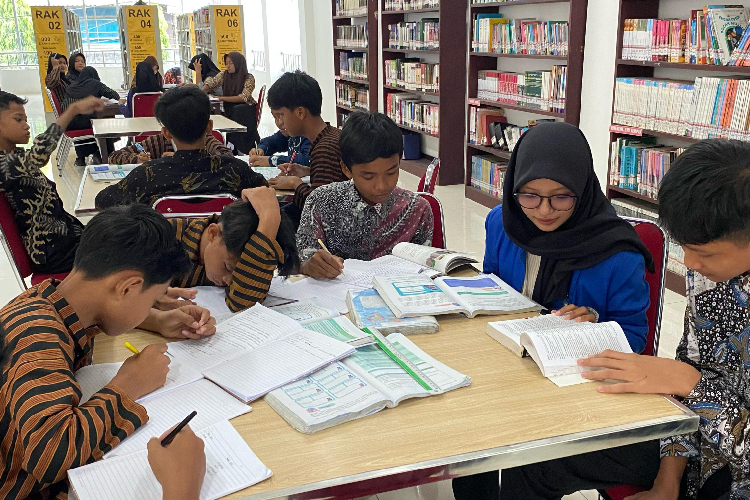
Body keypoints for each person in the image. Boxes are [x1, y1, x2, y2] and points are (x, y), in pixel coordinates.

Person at [478, 138, 750, 500]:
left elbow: (689, 384)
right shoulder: (712, 274)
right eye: (683, 248)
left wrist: (690, 383)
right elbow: (684, 398)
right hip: (691, 448)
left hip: (733, 472)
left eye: (702, 252)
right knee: (536, 458)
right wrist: (666, 483)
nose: (689, 264)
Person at [0, 204, 219, 500]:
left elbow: (108, 308)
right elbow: (48, 457)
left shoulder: (46, 301)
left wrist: (155, 319)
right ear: (127, 288)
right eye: (153, 299)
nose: (153, 307)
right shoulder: (41, 341)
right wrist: (129, 384)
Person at [297, 112, 433, 278]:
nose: (381, 186)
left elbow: (426, 269)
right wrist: (308, 266)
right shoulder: (321, 202)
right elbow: (300, 259)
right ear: (346, 169)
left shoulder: (417, 209)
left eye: (391, 172)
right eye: (368, 176)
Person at [95, 86, 266, 209]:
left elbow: (103, 200)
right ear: (210, 127)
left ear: (166, 132)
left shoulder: (147, 175)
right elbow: (264, 190)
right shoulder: (234, 170)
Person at [0, 91, 103, 273]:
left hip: (66, 241)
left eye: (25, 120)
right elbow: (39, 155)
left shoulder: (16, 157)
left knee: (126, 226)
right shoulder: (4, 165)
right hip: (54, 254)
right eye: (18, 120)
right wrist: (73, 110)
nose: (26, 126)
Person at [171, 186, 299, 312]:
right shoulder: (162, 242)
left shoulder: (225, 251)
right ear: (213, 233)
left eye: (239, 272)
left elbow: (243, 304)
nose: (230, 280)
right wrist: (269, 216)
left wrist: (269, 222)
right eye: (227, 267)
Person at [266, 70, 348, 229]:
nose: (279, 123)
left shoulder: (325, 148)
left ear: (300, 112)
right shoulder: (332, 134)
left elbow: (320, 211)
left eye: (280, 115)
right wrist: (308, 171)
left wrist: (295, 183)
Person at [196, 52, 259, 153]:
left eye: (231, 63)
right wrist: (201, 91)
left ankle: (242, 147)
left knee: (238, 110)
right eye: (226, 63)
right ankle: (230, 146)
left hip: (245, 109)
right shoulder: (224, 74)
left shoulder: (248, 78)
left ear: (238, 63)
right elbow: (212, 83)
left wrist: (220, 98)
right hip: (230, 107)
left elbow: (243, 97)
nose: (227, 66)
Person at [61, 66, 121, 165]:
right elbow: (114, 95)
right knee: (106, 121)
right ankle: (104, 154)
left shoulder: (71, 86)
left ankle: (81, 157)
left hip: (69, 123)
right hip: (86, 122)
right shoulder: (95, 84)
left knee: (90, 119)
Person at [108, 129, 231, 164]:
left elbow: (226, 155)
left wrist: (181, 157)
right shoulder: (158, 142)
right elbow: (115, 156)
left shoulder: (206, 139)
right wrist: (137, 158)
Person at [247, 108, 312, 168]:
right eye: (275, 117)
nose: (279, 123)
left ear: (300, 113)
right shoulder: (290, 133)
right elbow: (272, 142)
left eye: (282, 116)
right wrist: (261, 149)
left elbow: (308, 160)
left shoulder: (310, 137)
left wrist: (273, 161)